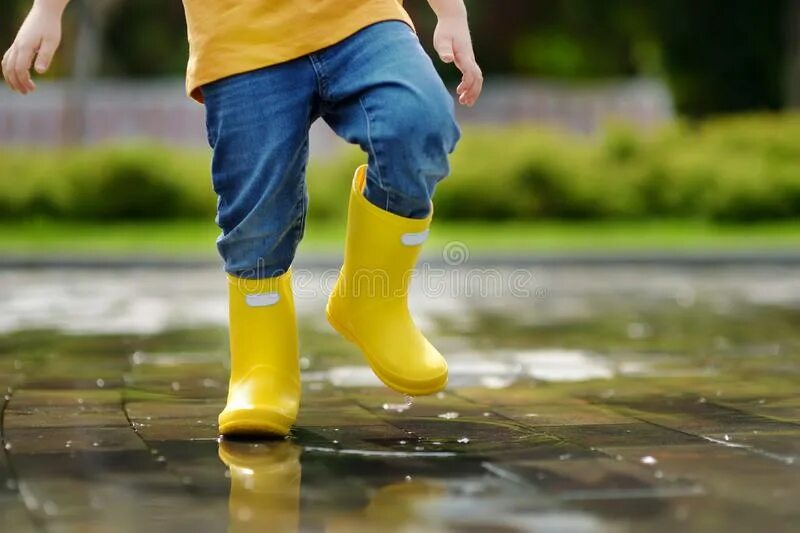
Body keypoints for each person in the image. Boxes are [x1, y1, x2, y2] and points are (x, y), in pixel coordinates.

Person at [2, 0, 483, 437]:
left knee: (420, 120)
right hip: (239, 39)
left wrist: (451, 12)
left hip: (362, 20)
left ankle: (373, 300)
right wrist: (47, 9)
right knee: (255, 213)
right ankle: (262, 369)